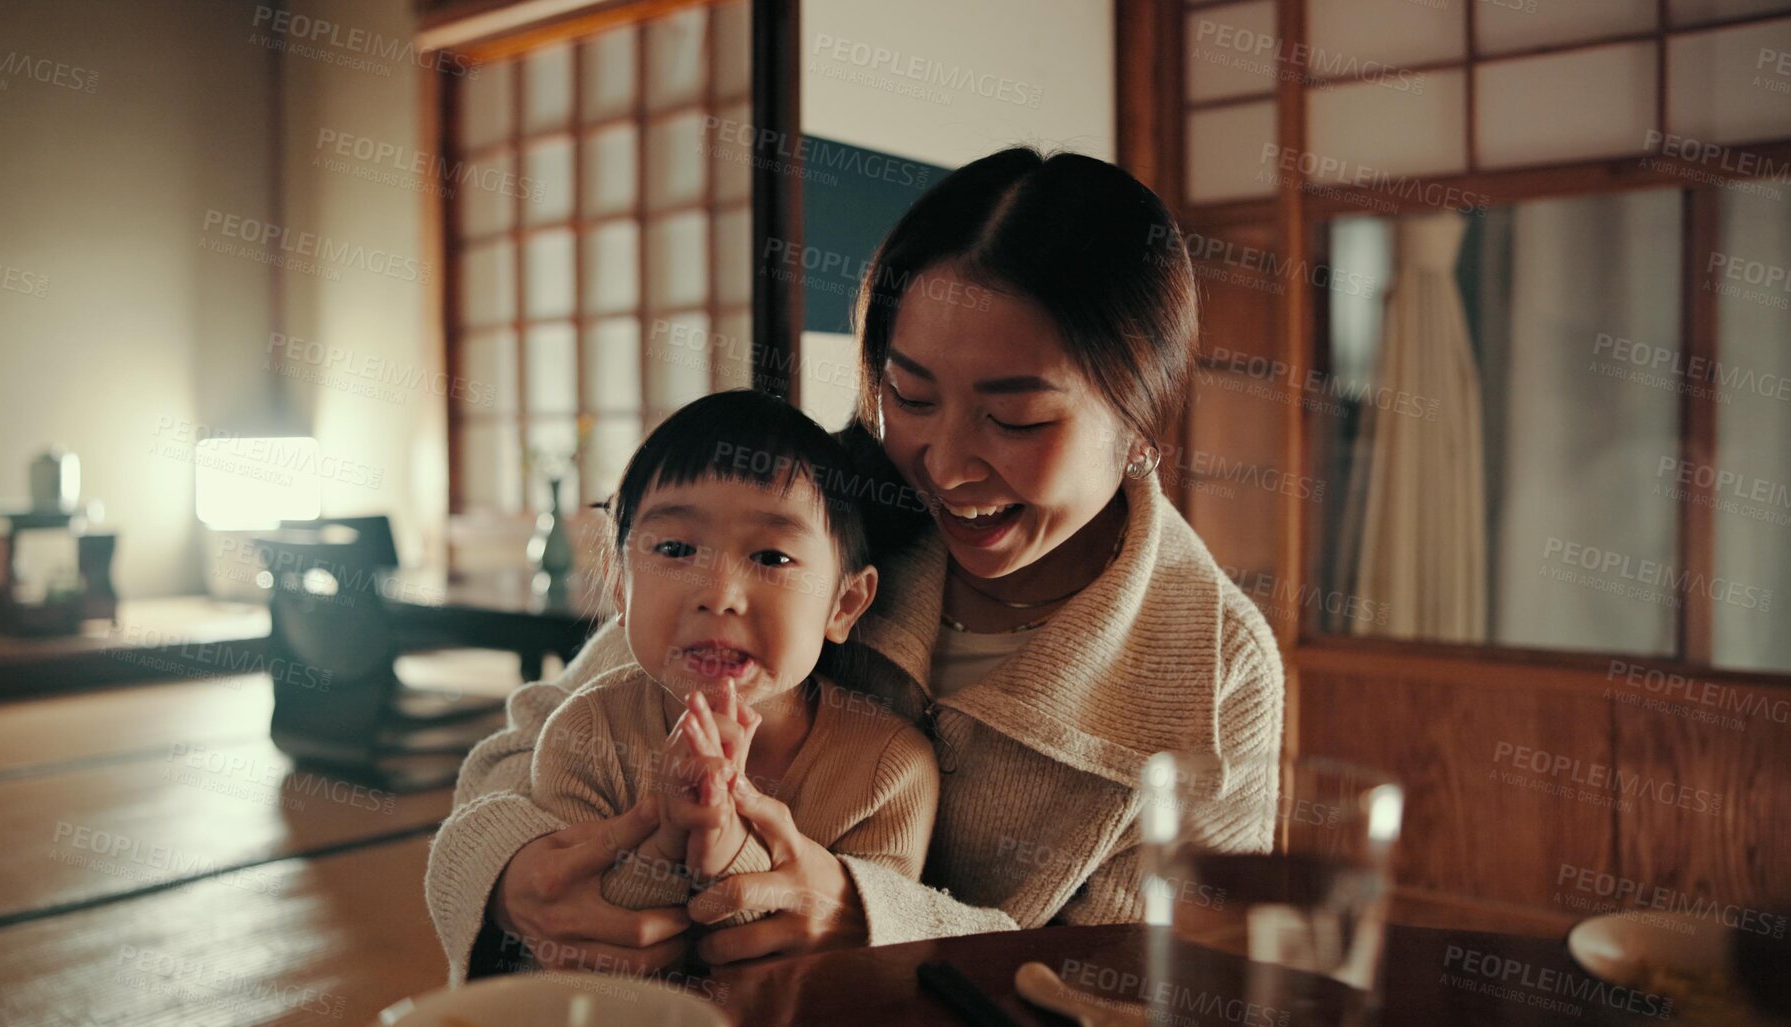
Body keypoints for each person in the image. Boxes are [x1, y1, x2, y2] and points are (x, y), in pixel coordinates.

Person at [426, 146, 1285, 985]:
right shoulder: (815, 518)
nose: (943, 467)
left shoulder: (1215, 671)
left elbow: (1152, 981)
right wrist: (511, 873)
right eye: (908, 396)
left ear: (1141, 420)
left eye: (1016, 418)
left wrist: (876, 922)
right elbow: (534, 741)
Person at [514, 390, 936, 970]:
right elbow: (586, 946)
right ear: (619, 587)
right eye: (675, 548)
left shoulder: (888, 772)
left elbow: (855, 971)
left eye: (772, 557)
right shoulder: (584, 736)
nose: (718, 595)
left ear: (844, 603)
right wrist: (671, 837)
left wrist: (724, 843)